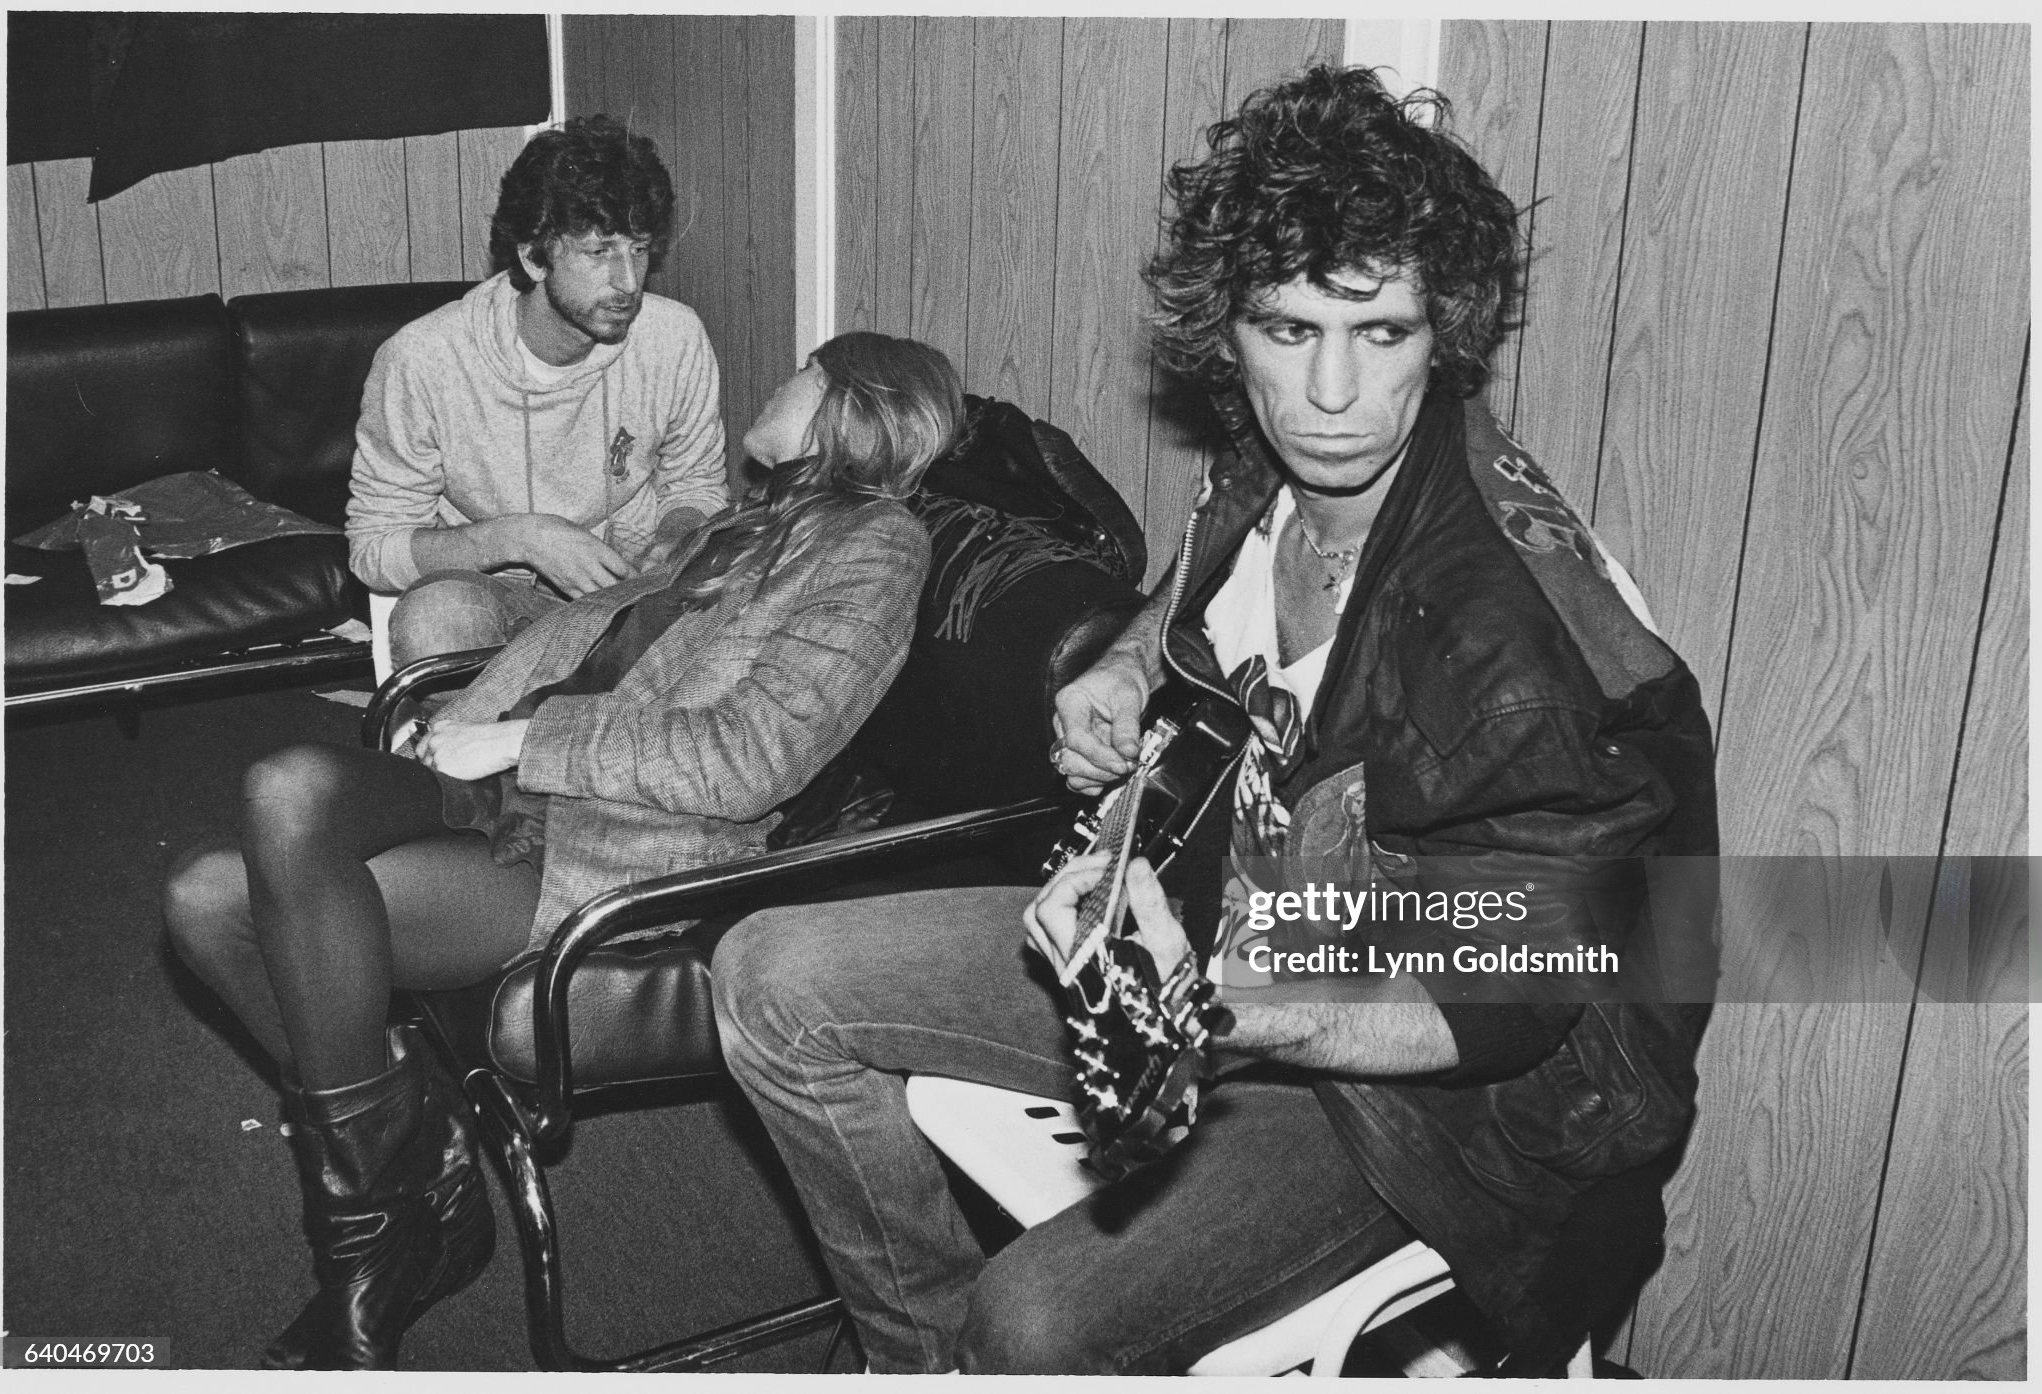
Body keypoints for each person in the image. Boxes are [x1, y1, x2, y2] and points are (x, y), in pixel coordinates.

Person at [711, 65, 1719, 1374]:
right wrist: (1130, 666)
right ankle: (921, 1354)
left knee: (1036, 1319)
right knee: (768, 979)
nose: (1335, 394)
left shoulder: (1503, 646)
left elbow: (1517, 992)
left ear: (1442, 331)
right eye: (1287, 332)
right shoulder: (1282, 449)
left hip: (1428, 1091)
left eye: (1384, 334)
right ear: (1227, 333)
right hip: (1234, 928)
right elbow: (1213, 553)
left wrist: (1225, 1008)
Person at [165, 332, 962, 1369]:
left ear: (850, 404)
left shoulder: (877, 546)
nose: (780, 378)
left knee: (218, 882)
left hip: (611, 839)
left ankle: (374, 1239)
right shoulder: (746, 522)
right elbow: (592, 640)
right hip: (506, 779)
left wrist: (518, 738)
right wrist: (470, 711)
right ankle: (425, 1162)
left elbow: (753, 757)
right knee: (240, 851)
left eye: (801, 370)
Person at [347, 114, 730, 671]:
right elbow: (373, 547)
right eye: (599, 253)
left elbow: (696, 485)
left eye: (640, 249)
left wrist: (668, 545)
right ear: (533, 256)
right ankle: (472, 753)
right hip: (492, 594)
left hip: (628, 593)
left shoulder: (675, 336)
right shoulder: (423, 359)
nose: (629, 282)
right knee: (437, 616)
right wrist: (521, 538)